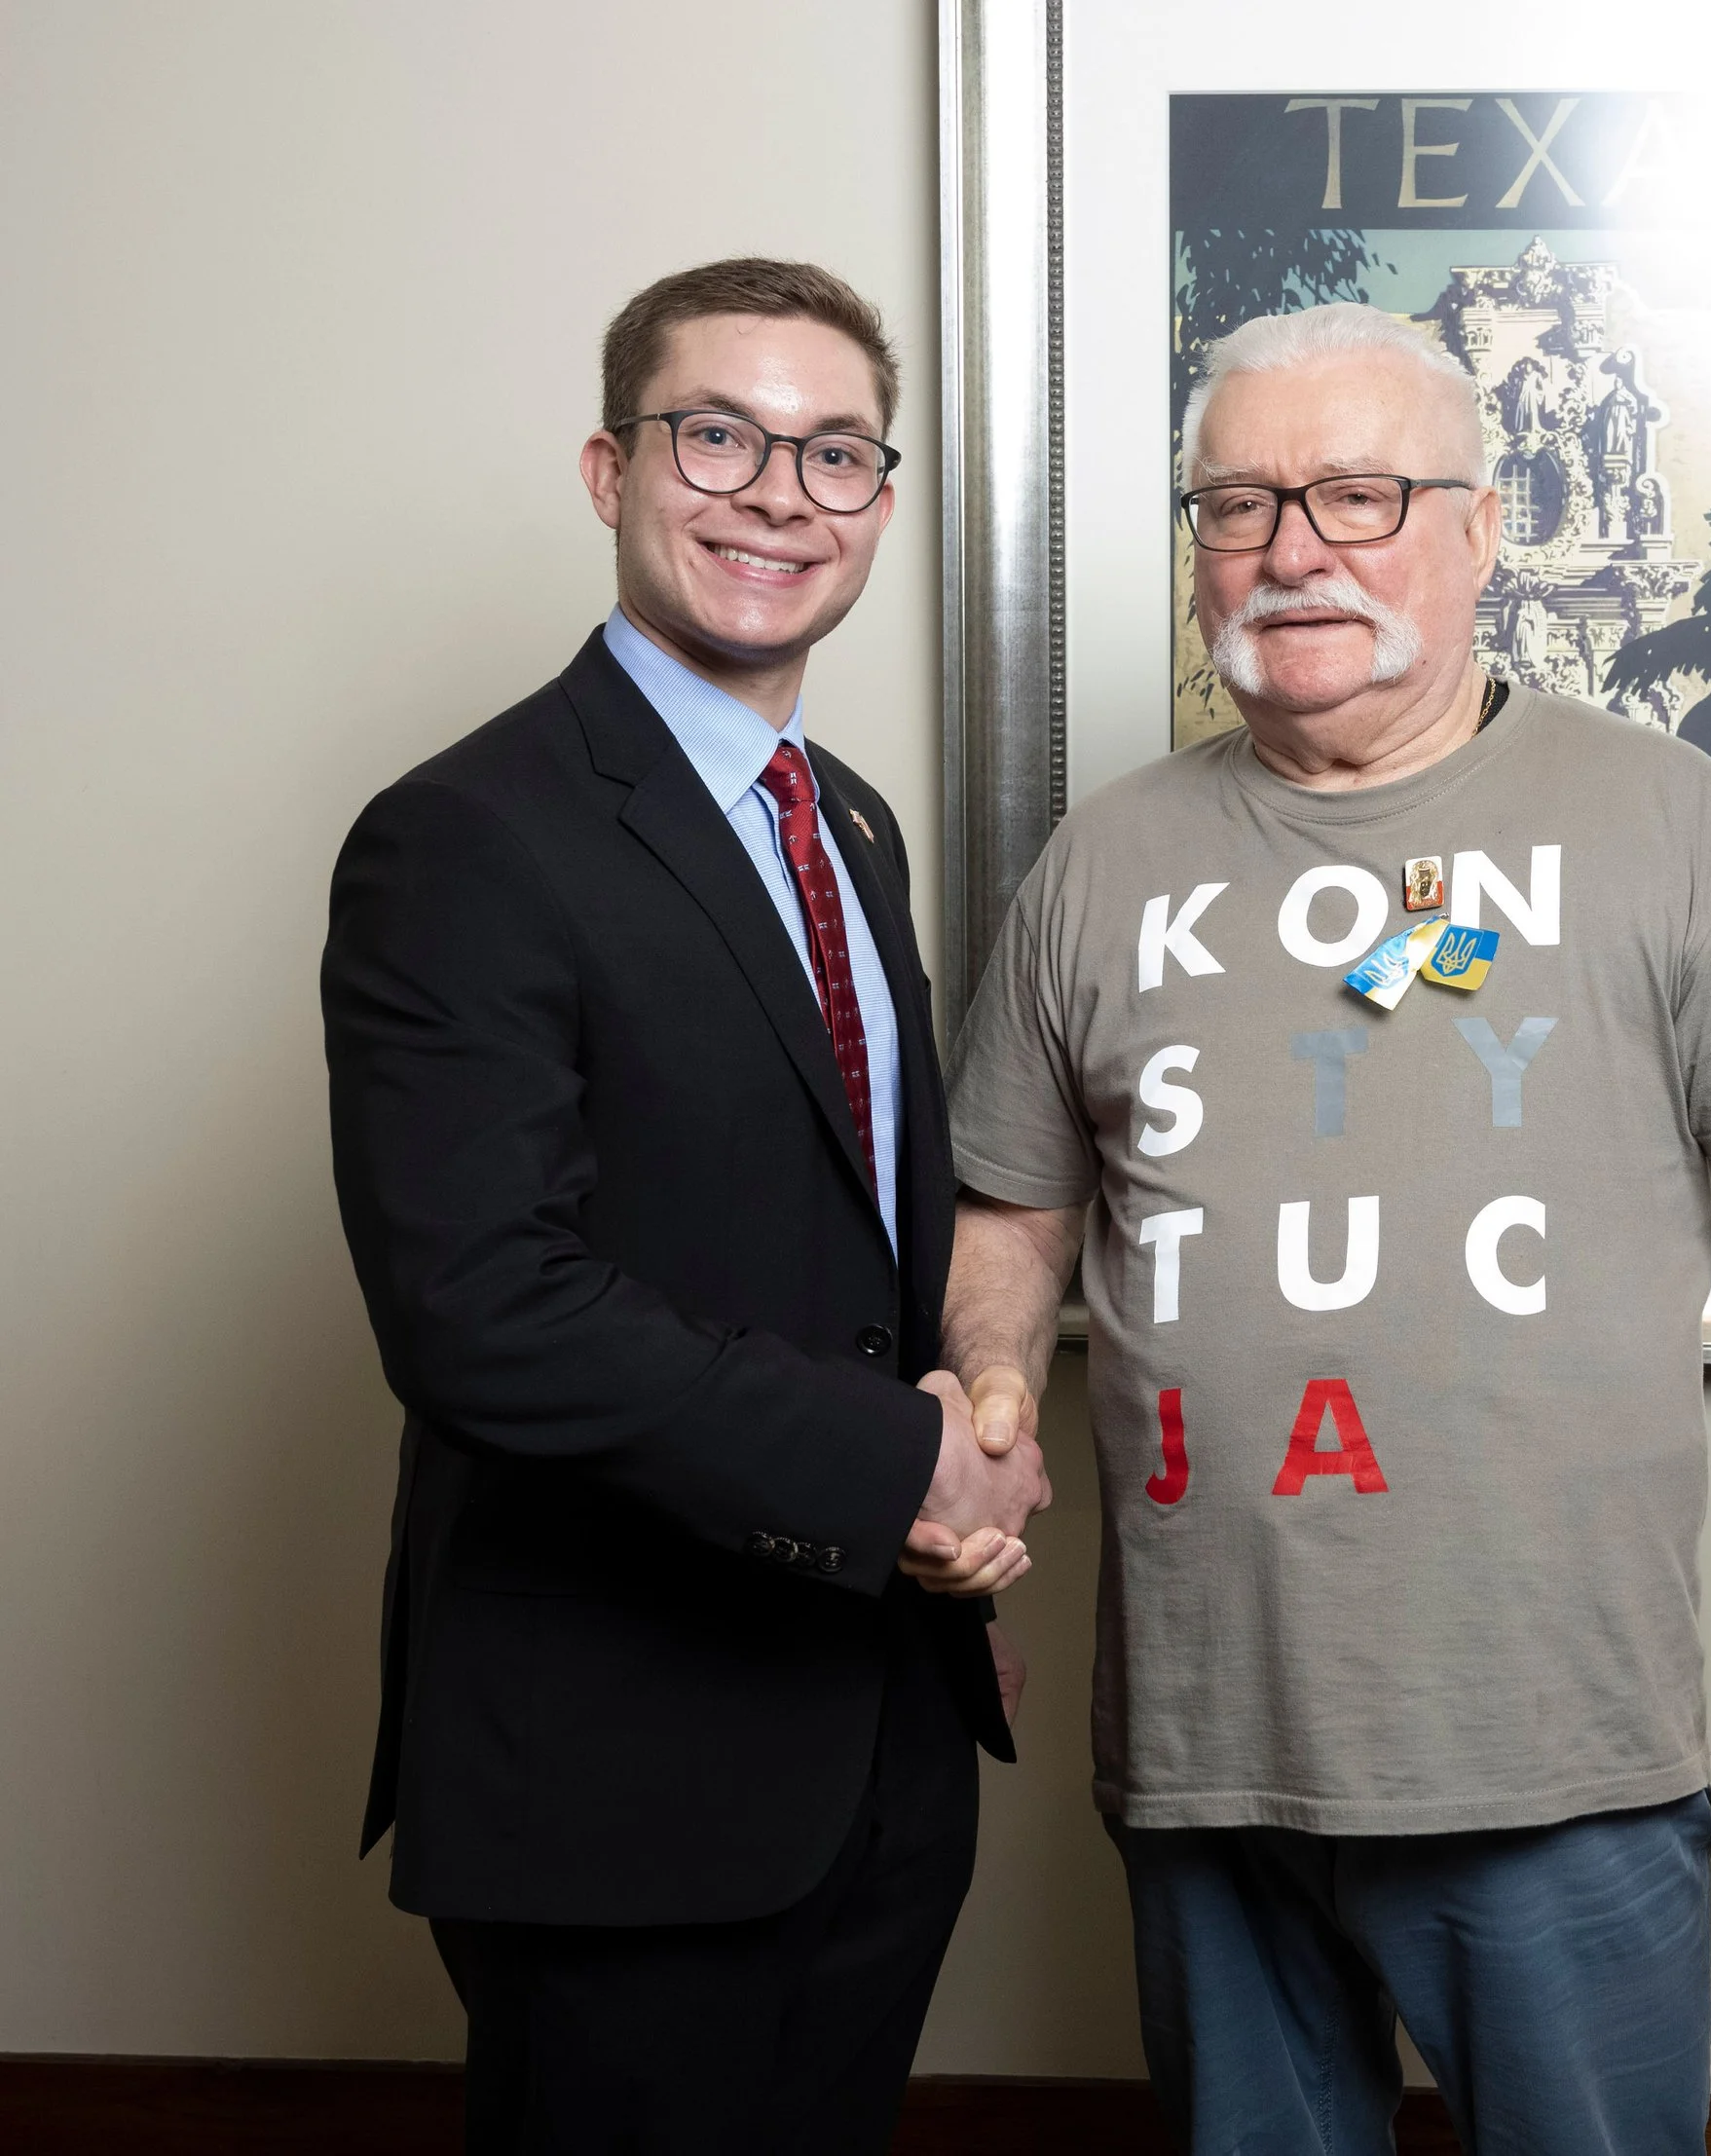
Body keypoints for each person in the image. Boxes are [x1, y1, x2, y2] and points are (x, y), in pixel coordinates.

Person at [940, 303, 1711, 2155]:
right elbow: (1010, 1223)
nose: (1293, 546)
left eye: (1359, 494)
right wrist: (985, 1418)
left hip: (1555, 1760)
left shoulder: (1675, 831)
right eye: (1240, 501)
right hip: (1202, 1750)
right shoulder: (1101, 860)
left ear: (1477, 532)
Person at [321, 257, 1049, 2155]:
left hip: (873, 1729)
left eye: (829, 455)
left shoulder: (850, 822)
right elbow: (481, 1309)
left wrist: (968, 1439)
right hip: (616, 1774)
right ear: (608, 467)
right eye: (716, 434)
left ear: (880, 505)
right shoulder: (466, 838)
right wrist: (888, 1469)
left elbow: (858, 1251)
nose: (773, 493)